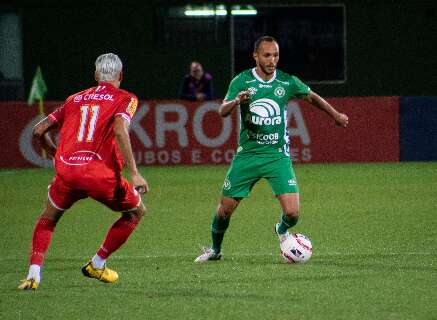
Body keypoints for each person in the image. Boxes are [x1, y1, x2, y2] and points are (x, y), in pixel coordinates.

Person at [195, 36, 348, 263]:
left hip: (277, 156)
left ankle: (280, 229)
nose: (272, 60)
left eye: (275, 55)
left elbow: (311, 97)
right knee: (224, 210)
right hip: (248, 155)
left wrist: (335, 115)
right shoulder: (242, 81)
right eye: (267, 55)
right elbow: (222, 111)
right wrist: (237, 100)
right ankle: (215, 250)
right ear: (255, 56)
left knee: (293, 214)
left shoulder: (286, 82)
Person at [18, 53, 149, 289]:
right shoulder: (126, 99)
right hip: (101, 175)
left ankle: (33, 274)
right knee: (135, 212)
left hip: (68, 173)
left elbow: (38, 131)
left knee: (47, 219)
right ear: (120, 75)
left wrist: (55, 152)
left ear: (96, 75)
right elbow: (120, 130)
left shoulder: (74, 99)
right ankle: (97, 264)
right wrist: (135, 173)